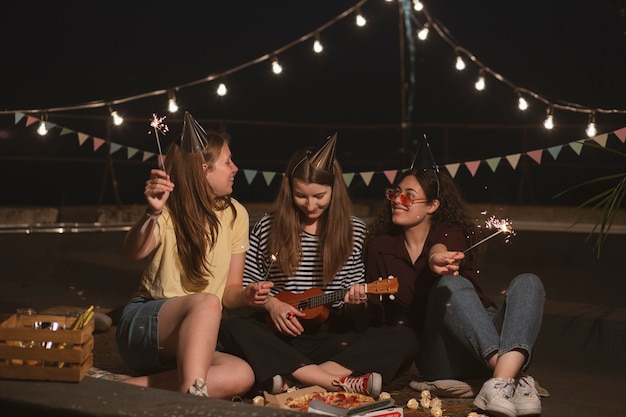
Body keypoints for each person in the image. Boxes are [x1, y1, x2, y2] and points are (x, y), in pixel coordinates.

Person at [219, 133, 417, 398]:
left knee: (404, 338)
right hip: (279, 334)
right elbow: (246, 290)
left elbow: (356, 317)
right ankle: (334, 381)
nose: (310, 205)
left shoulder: (355, 231)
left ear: (334, 190)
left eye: (319, 196)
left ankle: (295, 380)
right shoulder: (268, 227)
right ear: (289, 189)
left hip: (331, 337)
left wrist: (355, 304)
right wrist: (270, 304)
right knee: (233, 329)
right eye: (301, 196)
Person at [365, 136, 545, 417]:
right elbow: (375, 318)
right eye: (395, 193)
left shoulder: (450, 232)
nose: (397, 201)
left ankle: (500, 380)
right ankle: (512, 375)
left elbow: (441, 250)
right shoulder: (379, 247)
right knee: (449, 284)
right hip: (441, 354)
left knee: (529, 281)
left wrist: (438, 259)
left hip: (484, 337)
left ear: (433, 206)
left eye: (408, 196)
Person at [115, 111, 256, 399]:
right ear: (204, 169)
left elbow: (229, 292)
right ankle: (192, 402)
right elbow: (133, 251)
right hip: (146, 328)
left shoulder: (235, 214)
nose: (235, 168)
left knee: (242, 374)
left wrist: (247, 296)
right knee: (206, 303)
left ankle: (127, 389)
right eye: (227, 161)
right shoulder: (168, 209)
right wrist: (152, 213)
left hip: (192, 342)